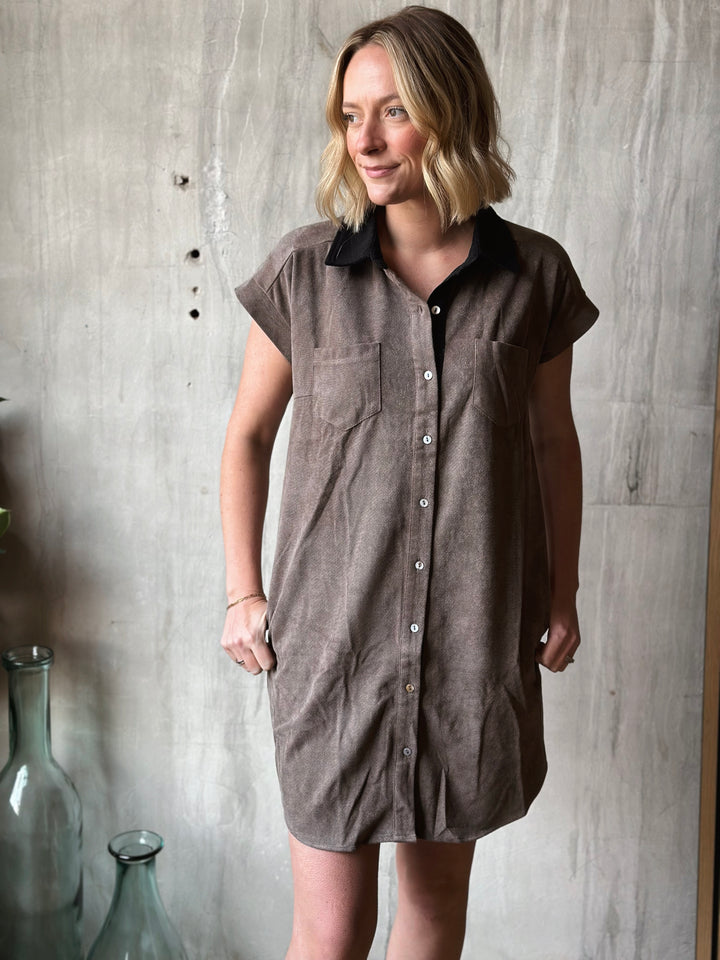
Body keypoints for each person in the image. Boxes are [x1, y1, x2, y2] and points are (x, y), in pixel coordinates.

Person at [220, 7, 598, 960]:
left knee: (430, 924)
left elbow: (554, 443)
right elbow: (248, 435)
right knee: (333, 929)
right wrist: (243, 593)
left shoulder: (534, 277)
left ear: (451, 113)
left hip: (471, 648)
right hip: (332, 650)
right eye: (352, 115)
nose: (369, 140)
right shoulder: (306, 272)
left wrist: (563, 592)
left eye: (395, 112)